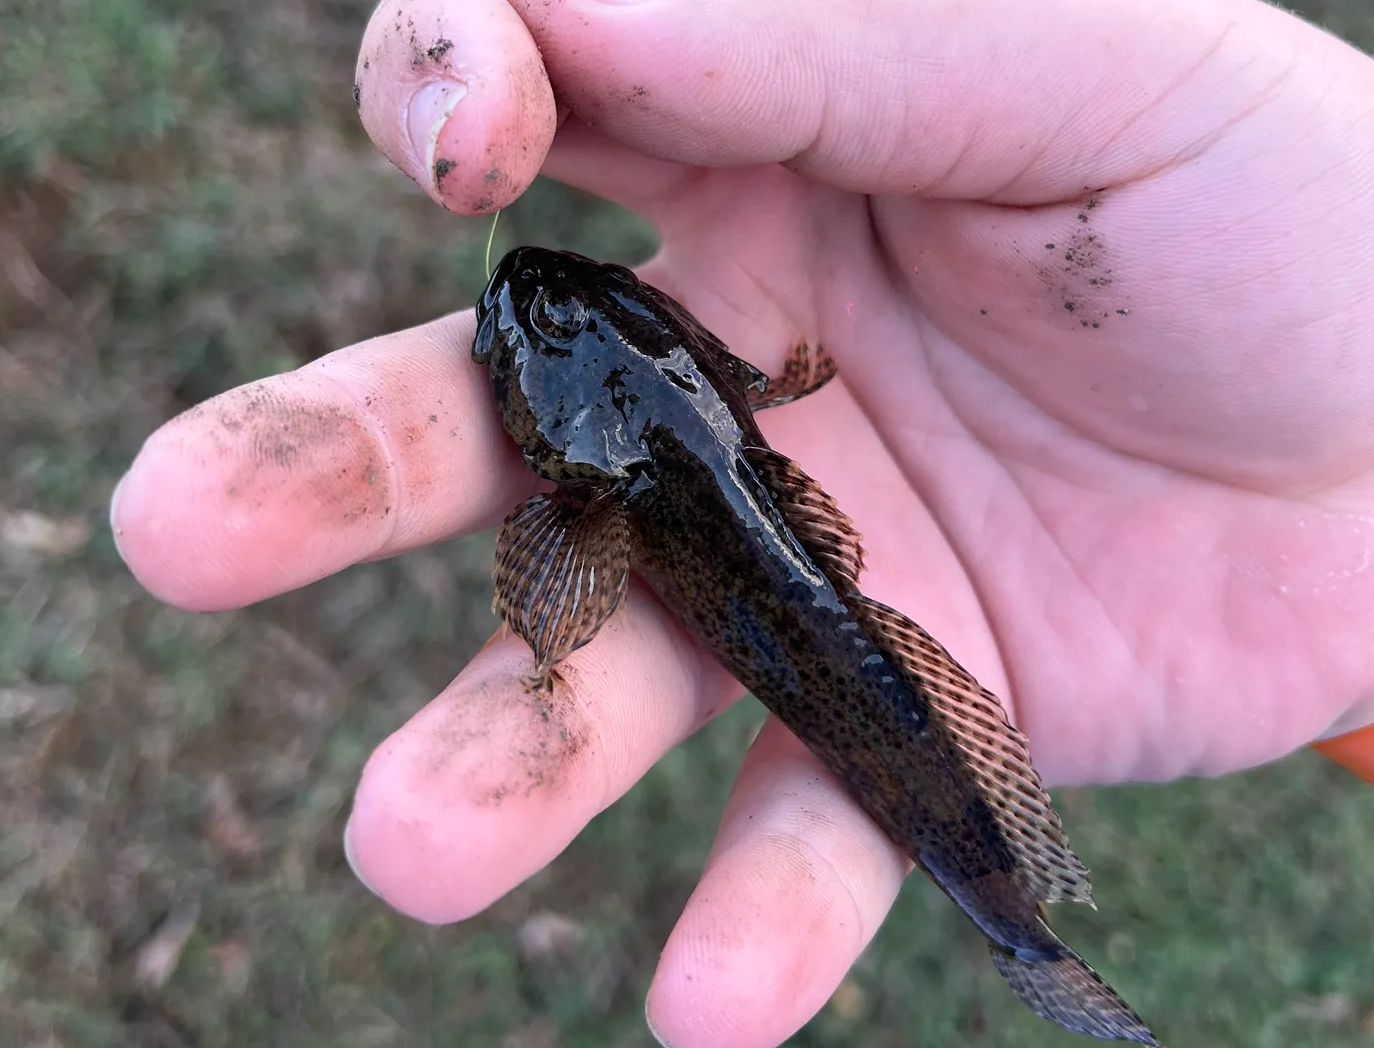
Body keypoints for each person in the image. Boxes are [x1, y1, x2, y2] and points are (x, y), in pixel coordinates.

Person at [110, 1, 1374, 1044]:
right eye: (558, 322)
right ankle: (1021, 929)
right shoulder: (692, 425)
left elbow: (571, 562)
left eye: (578, 308)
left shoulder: (623, 478)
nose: (548, 300)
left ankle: (1021, 933)